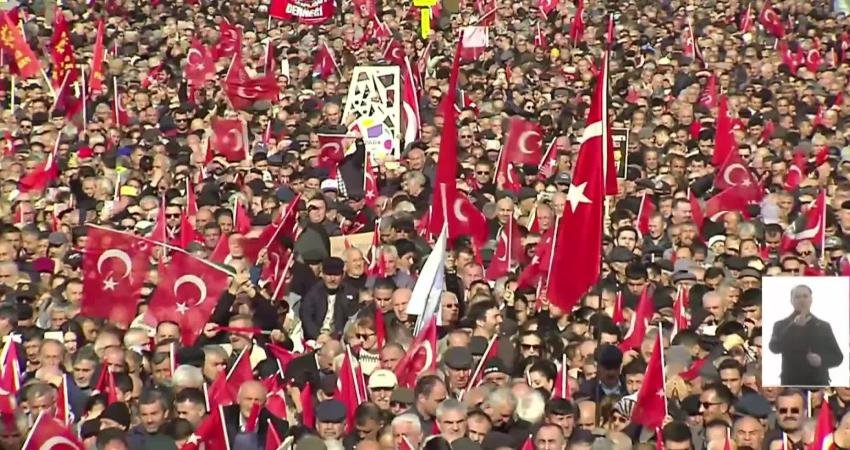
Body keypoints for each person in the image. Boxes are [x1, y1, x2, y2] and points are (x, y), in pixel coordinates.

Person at [769, 284, 843, 386]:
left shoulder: (823, 326)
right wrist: (793, 326)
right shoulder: (781, 325)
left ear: (811, 299)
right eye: (797, 297)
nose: (802, 300)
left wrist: (821, 360)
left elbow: (838, 357)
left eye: (805, 296)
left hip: (818, 383)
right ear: (791, 300)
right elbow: (774, 348)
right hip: (791, 383)